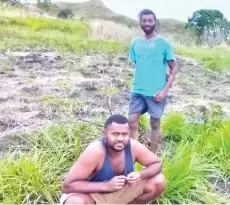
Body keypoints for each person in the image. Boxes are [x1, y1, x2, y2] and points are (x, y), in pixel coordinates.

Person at [60, 114, 166, 204]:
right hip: (92, 195)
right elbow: (67, 186)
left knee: (158, 181)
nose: (120, 138)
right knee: (76, 202)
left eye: (124, 134)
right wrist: (105, 186)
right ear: (104, 133)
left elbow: (157, 164)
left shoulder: (133, 146)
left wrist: (140, 175)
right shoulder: (96, 150)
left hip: (120, 191)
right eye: (115, 134)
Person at [128, 9, 178, 153]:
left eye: (150, 20)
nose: (147, 23)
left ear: (155, 22)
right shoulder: (135, 43)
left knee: (155, 123)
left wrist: (164, 90)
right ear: (140, 22)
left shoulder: (164, 43)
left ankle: (152, 157)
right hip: (138, 90)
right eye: (144, 21)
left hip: (157, 92)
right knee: (131, 122)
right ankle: (132, 155)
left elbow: (174, 67)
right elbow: (138, 64)